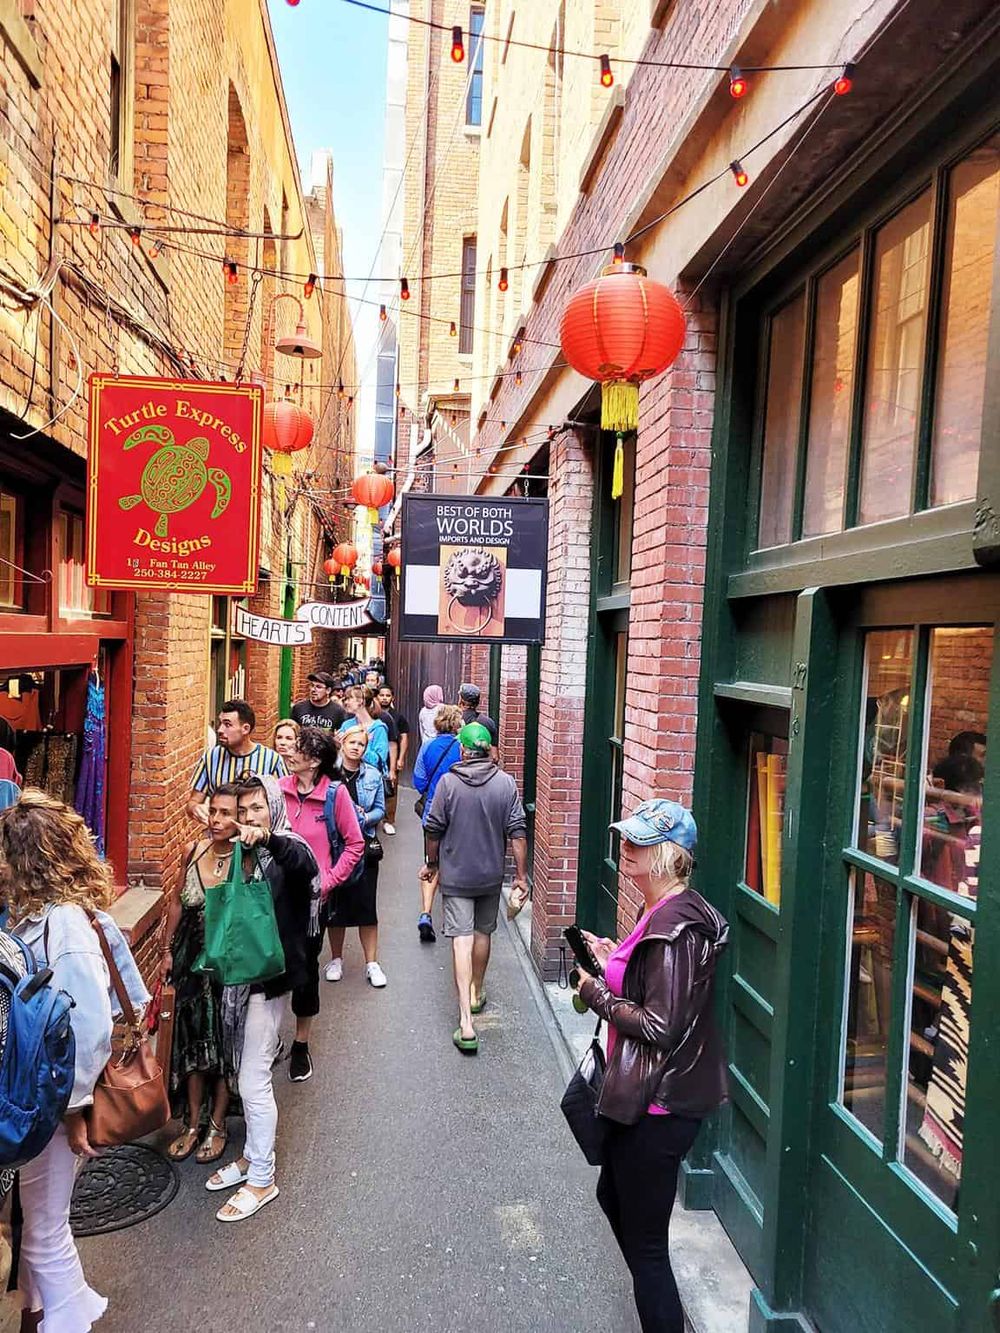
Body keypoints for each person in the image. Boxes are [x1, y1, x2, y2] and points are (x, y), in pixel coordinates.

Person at [571, 799, 729, 1333]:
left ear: (665, 856)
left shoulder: (677, 930)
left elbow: (660, 1026)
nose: (625, 847)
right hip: (641, 1092)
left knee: (647, 1249)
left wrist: (594, 992)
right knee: (613, 1198)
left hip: (658, 1105)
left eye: (637, 842)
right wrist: (613, 958)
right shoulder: (657, 913)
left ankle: (665, 1320)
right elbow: (653, 987)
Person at [1, 789, 150, 1331]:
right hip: (55, 1100)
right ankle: (59, 1311)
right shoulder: (54, 915)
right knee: (42, 1221)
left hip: (57, 1103)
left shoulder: (62, 924)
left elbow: (86, 1023)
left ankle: (69, 1319)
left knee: (42, 1229)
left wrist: (74, 1108)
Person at [206, 776, 317, 1222]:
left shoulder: (285, 845)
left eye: (257, 808)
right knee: (244, 1072)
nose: (249, 817)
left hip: (266, 982)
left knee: (253, 1081)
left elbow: (305, 864)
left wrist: (267, 836)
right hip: (239, 981)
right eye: (243, 809)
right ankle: (252, 1157)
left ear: (272, 806)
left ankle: (263, 1178)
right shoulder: (242, 854)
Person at [421, 722, 528, 1053]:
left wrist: (432, 863)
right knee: (483, 935)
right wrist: (521, 876)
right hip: (490, 875)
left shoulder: (449, 784)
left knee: (461, 942)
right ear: (488, 749)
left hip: (456, 875)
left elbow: (433, 829)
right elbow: (518, 832)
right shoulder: (506, 783)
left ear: (464, 751)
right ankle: (476, 992)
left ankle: (466, 1023)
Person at [160, 785, 242, 1164]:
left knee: (223, 1048)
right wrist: (164, 951)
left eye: (227, 813)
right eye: (214, 811)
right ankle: (193, 1123)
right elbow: (176, 903)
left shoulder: (248, 857)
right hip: (190, 961)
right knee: (192, 1045)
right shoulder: (192, 851)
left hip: (229, 966)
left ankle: (219, 1124)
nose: (217, 820)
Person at [279, 728, 365, 1081]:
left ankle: (300, 1043)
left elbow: (354, 843)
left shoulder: (334, 795)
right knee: (269, 967)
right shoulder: (277, 790)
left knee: (303, 971)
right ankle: (266, 1039)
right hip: (273, 897)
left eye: (297, 747)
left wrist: (327, 882)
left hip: (312, 904)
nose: (288, 750)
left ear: (314, 761)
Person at [324, 725, 388, 989]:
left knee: (366, 908)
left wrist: (363, 817)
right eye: (352, 742)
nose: (356, 748)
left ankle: (371, 963)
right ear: (343, 742)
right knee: (335, 908)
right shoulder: (329, 775)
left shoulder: (372, 775)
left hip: (363, 847)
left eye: (361, 745)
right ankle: (336, 959)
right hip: (334, 847)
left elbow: (380, 809)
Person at [186, 700, 285, 823]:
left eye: (227, 725)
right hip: (220, 836)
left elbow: (286, 805)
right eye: (220, 723)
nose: (220, 730)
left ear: (245, 729)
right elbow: (193, 802)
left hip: (256, 837)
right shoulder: (210, 758)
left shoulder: (272, 760)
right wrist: (196, 808)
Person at [412, 704, 463, 942]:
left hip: (432, 812)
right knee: (454, 864)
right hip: (459, 814)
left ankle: (425, 913)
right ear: (456, 725)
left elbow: (418, 781)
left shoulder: (427, 747)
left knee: (431, 862)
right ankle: (453, 919)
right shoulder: (462, 749)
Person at [377, 684, 410, 836]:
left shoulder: (398, 717)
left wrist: (401, 758)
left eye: (387, 695)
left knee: (391, 789)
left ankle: (389, 820)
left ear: (392, 698)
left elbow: (403, 738)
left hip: (391, 757)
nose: (384, 698)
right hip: (375, 759)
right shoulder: (372, 715)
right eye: (382, 695)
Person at [338, 686, 390, 780]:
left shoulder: (378, 728)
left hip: (369, 780)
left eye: (349, 698)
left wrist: (364, 745)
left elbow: (379, 762)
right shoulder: (346, 725)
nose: (346, 702)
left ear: (360, 701)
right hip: (346, 776)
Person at [458, 683, 499, 762]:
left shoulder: (455, 722)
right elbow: (495, 757)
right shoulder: (488, 722)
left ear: (461, 701)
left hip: (461, 769)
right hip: (484, 769)